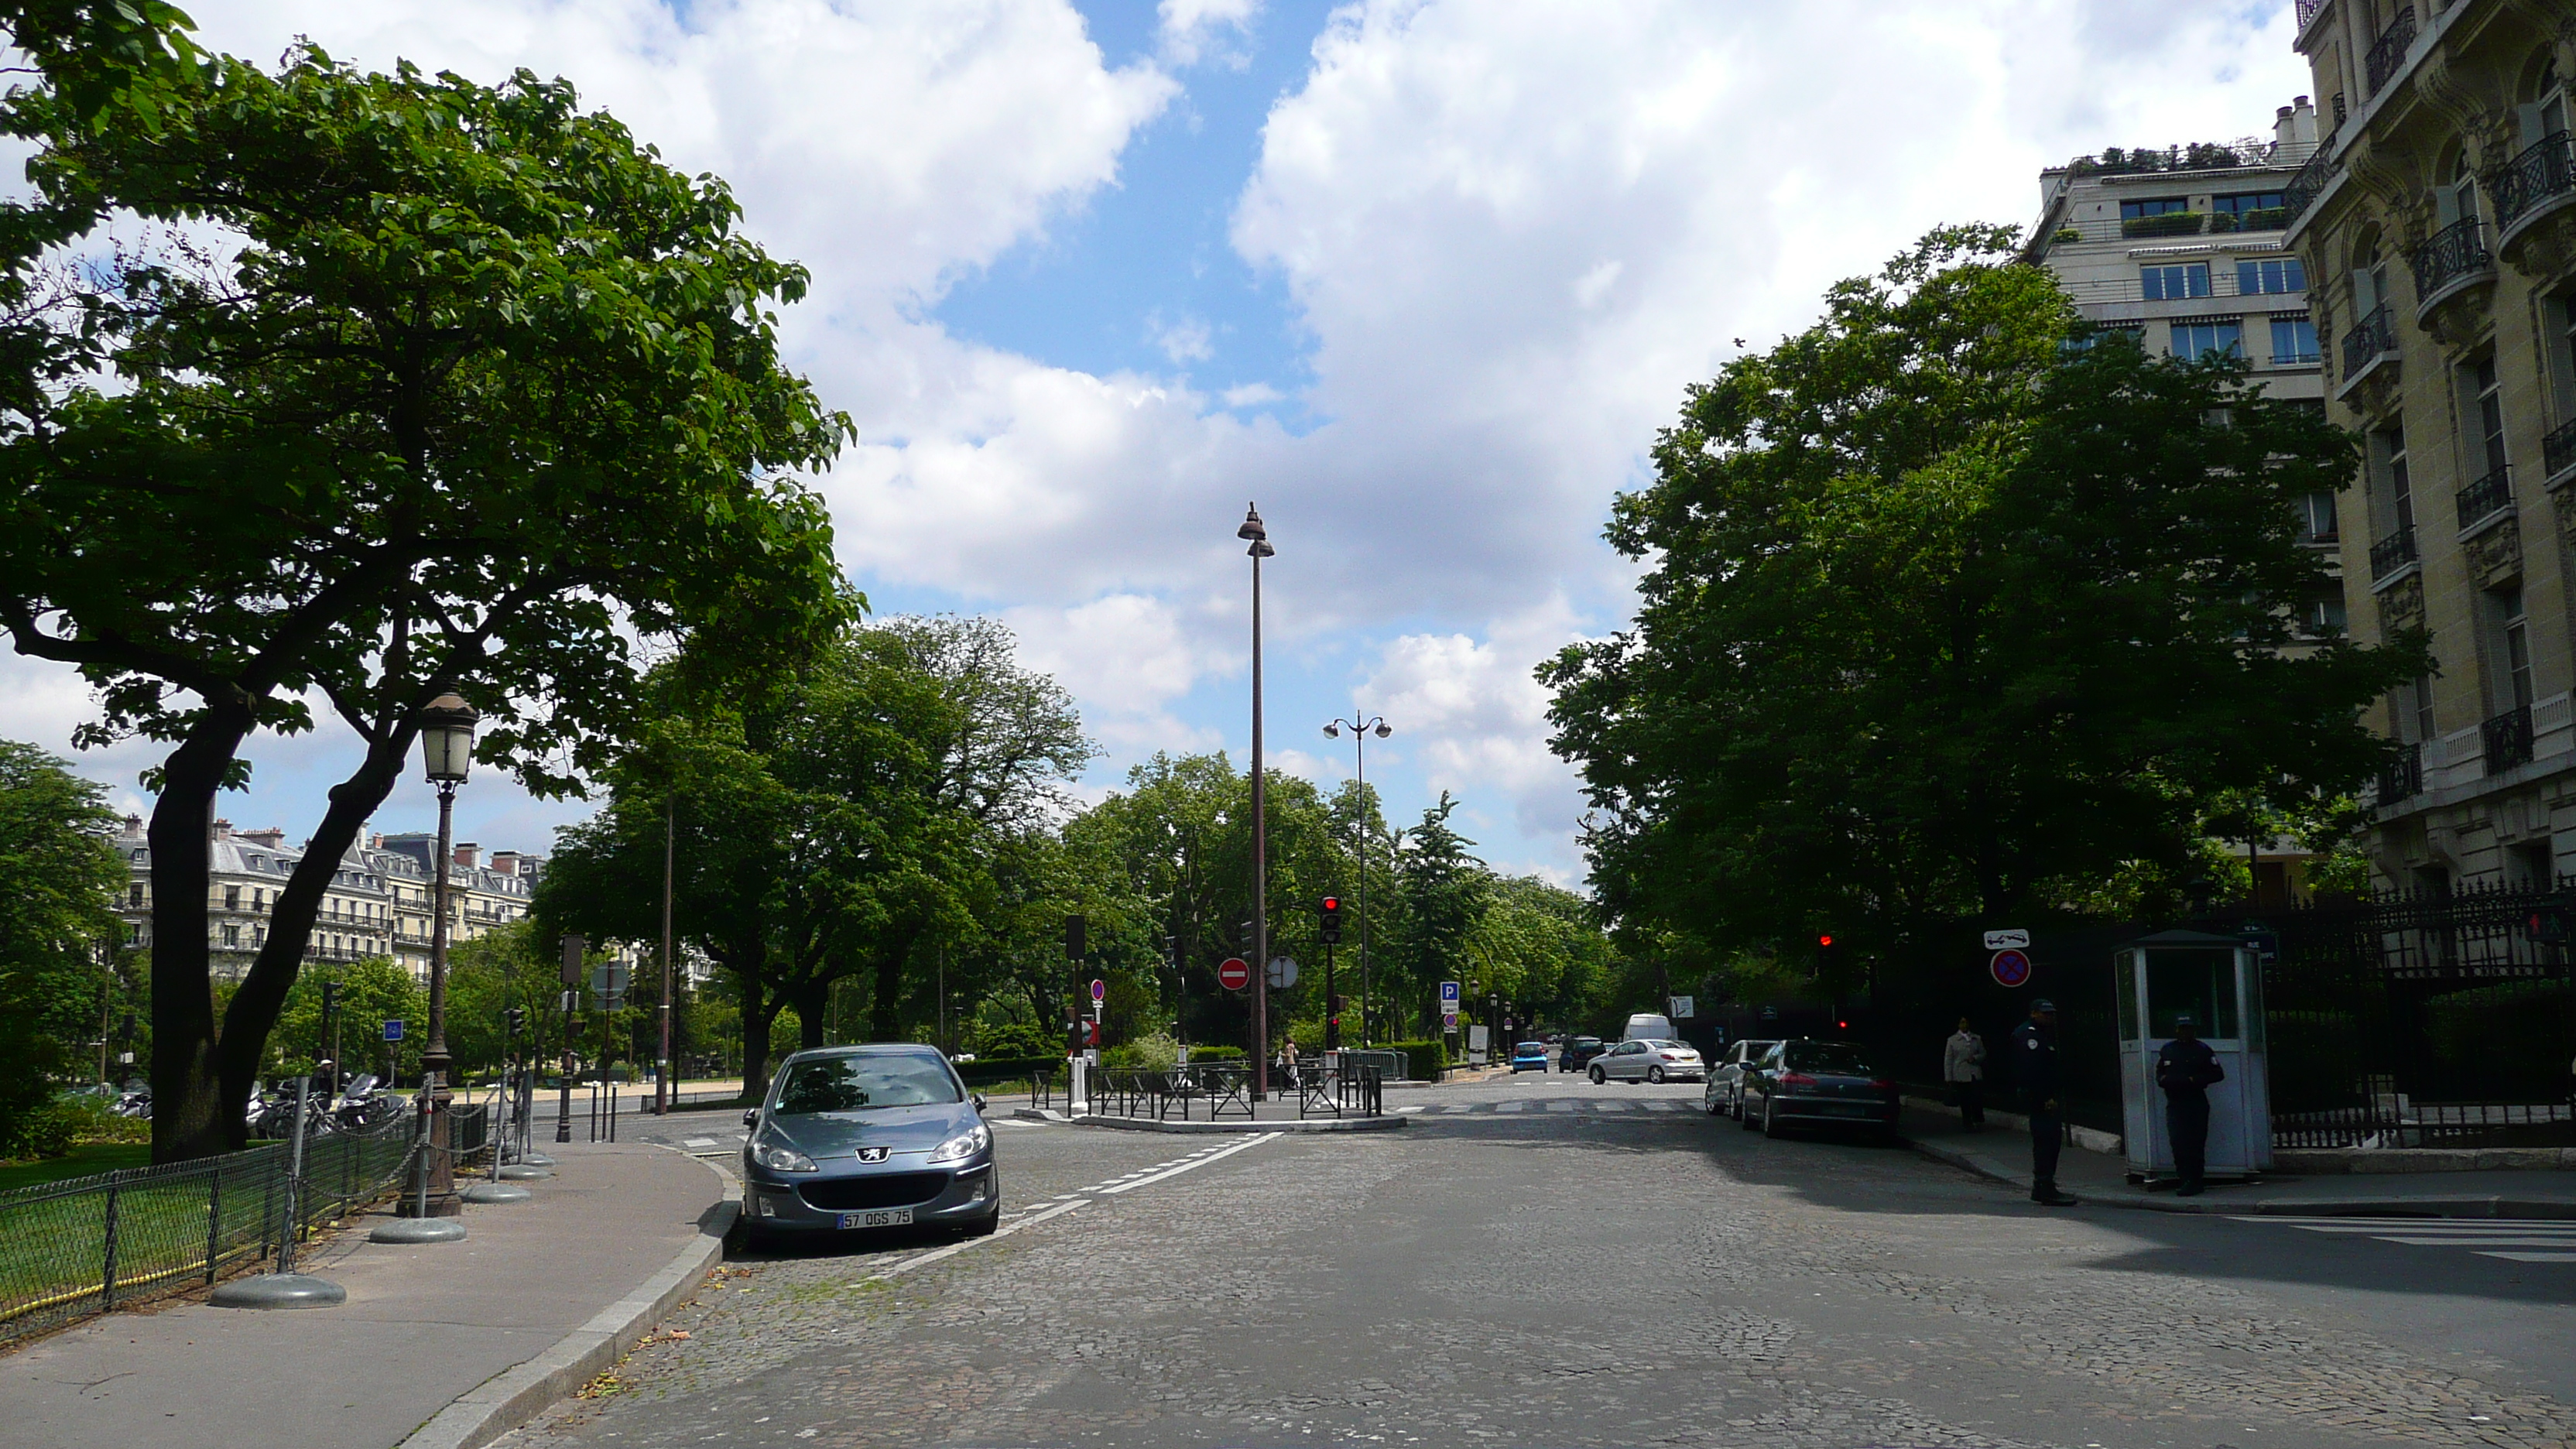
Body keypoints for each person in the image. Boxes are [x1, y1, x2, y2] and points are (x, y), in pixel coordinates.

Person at [2011, 999, 2078, 1206]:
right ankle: (2045, 1186)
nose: (2050, 1017)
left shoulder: (2039, 1033)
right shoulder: (2030, 1035)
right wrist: (2044, 1098)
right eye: (2045, 1014)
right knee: (2047, 1141)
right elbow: (2032, 1070)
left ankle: (2041, 1187)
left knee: (2048, 1141)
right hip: (2041, 1099)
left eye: (2051, 1014)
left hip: (2043, 1096)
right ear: (2034, 1013)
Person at [2155, 1012, 2225, 1196]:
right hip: (2175, 1102)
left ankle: (2195, 1181)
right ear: (2176, 1030)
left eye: (2188, 1029)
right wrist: (2167, 1080)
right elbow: (2160, 1074)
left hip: (2195, 1101)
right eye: (2181, 1029)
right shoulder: (2168, 1050)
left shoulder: (2202, 1049)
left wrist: (2194, 1079)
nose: (2185, 1032)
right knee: (2178, 1142)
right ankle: (2183, 1179)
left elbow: (2217, 1074)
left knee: (2195, 1143)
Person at [1942, 1018, 1986, 1130]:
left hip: (1975, 1073)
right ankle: (1967, 1123)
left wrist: (1975, 1058)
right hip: (1961, 1075)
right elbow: (1949, 1060)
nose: (1964, 1025)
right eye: (1962, 1022)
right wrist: (1949, 1078)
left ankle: (1978, 1120)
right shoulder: (1952, 1040)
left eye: (1966, 1022)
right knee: (1965, 1100)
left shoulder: (1976, 1038)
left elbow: (1983, 1054)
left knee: (1976, 1098)